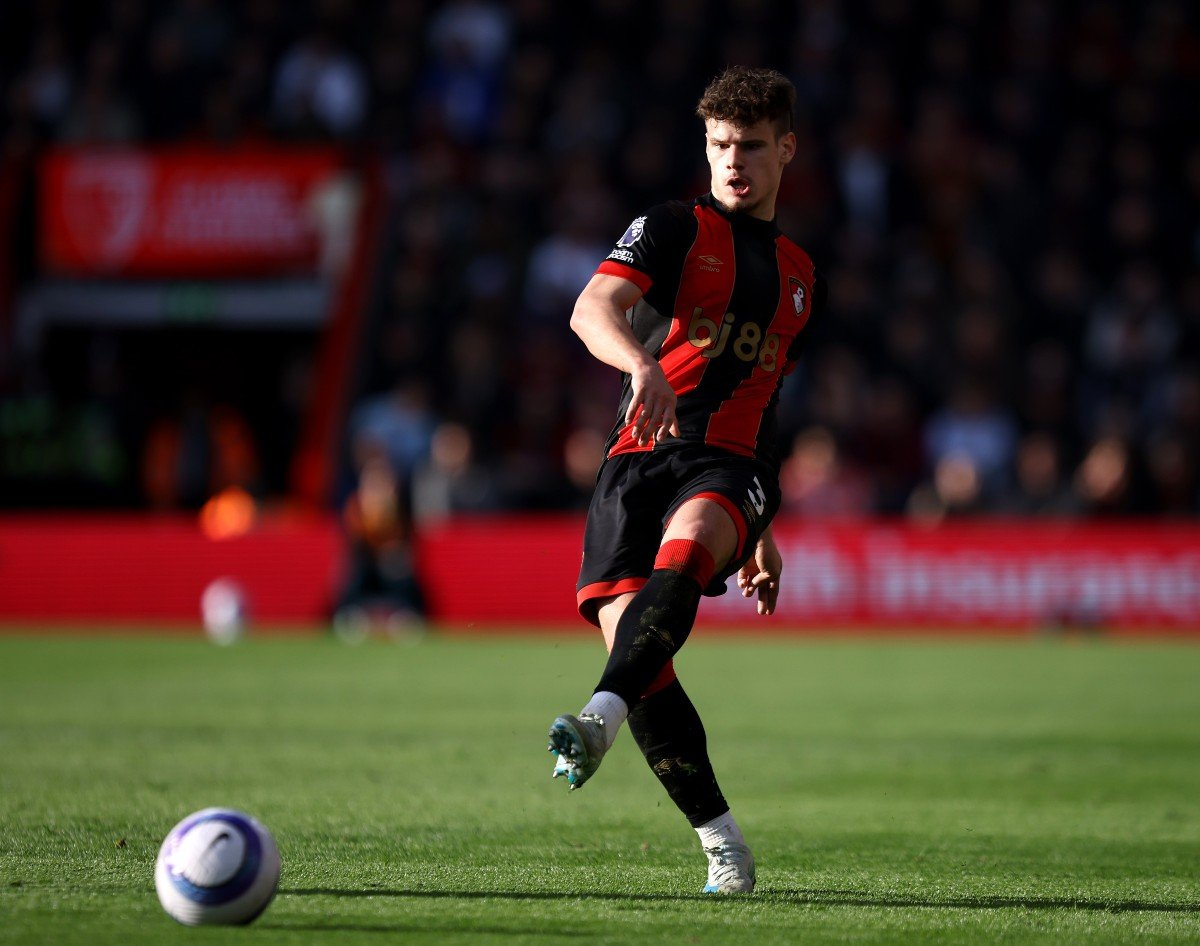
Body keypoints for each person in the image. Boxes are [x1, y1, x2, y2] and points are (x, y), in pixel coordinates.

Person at [545, 66, 825, 894]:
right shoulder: (672, 228)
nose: (733, 161)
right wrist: (640, 363)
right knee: (643, 652)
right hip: (638, 455)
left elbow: (767, 395)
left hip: (731, 461)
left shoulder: (802, 277)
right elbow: (590, 307)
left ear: (786, 150)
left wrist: (760, 527)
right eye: (720, 145)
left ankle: (596, 719)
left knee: (693, 545)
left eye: (750, 146)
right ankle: (723, 844)